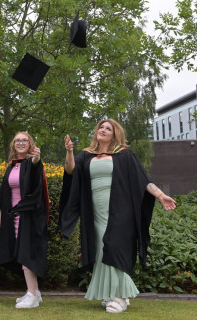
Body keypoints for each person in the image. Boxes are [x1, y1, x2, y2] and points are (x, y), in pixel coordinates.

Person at [59, 119, 176, 314]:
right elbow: (70, 170)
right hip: (94, 211)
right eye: (101, 127)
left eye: (108, 128)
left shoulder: (124, 155)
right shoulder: (87, 155)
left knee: (112, 247)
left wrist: (161, 195)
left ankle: (121, 297)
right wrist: (69, 152)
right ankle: (112, 293)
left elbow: (143, 180)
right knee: (100, 250)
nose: (103, 130)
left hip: (120, 210)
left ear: (114, 134)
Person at [0, 132, 49, 309]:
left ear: (30, 144)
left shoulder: (30, 163)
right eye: (17, 140)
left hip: (28, 215)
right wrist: (1, 214)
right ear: (13, 144)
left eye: (24, 140)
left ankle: (31, 294)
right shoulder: (12, 166)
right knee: (21, 252)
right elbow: (5, 193)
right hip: (13, 216)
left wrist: (36, 158)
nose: (20, 143)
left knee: (27, 252)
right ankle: (35, 292)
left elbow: (35, 167)